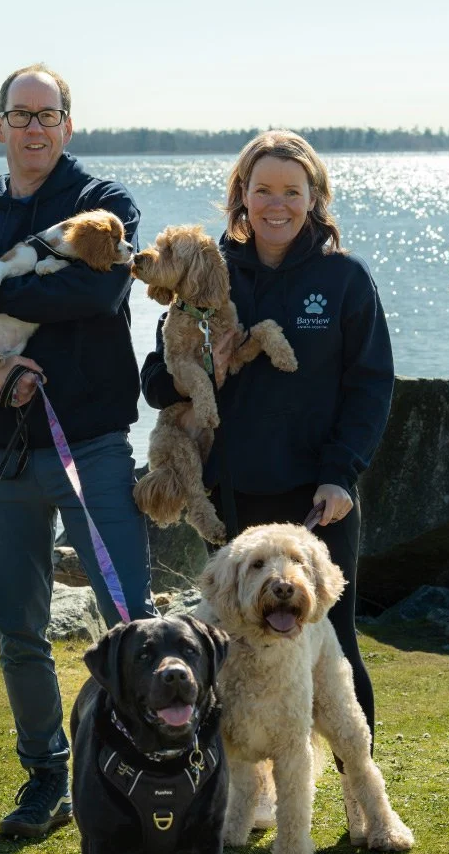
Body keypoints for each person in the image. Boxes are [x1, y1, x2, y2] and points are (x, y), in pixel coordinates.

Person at [0, 64, 151, 838]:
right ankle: (49, 772)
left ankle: (147, 764)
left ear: (68, 126)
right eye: (22, 115)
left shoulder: (105, 207)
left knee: (128, 619)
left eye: (50, 116)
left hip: (95, 450)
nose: (36, 128)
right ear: (0, 127)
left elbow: (100, 292)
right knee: (18, 628)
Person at [142, 130, 393, 733]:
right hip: (232, 500)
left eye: (291, 190)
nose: (276, 203)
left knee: (333, 649)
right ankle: (243, 796)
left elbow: (371, 385)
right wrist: (203, 375)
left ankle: (360, 787)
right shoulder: (209, 274)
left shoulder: (345, 281)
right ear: (242, 197)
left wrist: (341, 475)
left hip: (317, 499)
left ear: (314, 198)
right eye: (262, 190)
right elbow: (155, 380)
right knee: (234, 652)